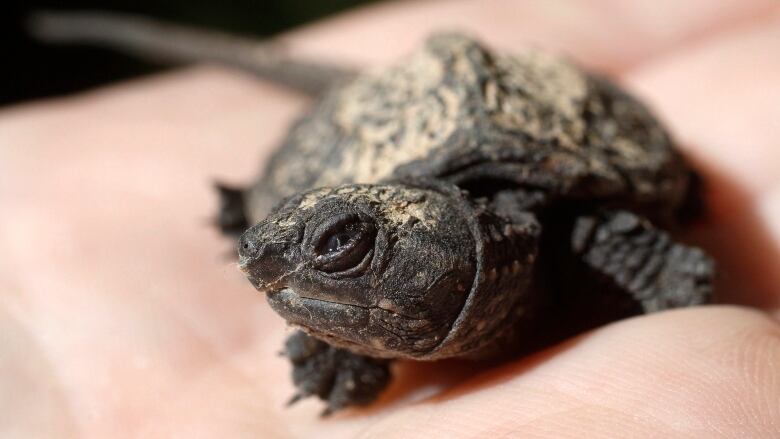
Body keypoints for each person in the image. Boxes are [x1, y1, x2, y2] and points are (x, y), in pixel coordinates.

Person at [1, 0, 779, 436]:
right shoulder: (329, 287)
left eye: (342, 248)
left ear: (436, 238)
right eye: (267, 274)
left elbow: (665, 254)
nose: (282, 289)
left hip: (536, 125)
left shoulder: (590, 235)